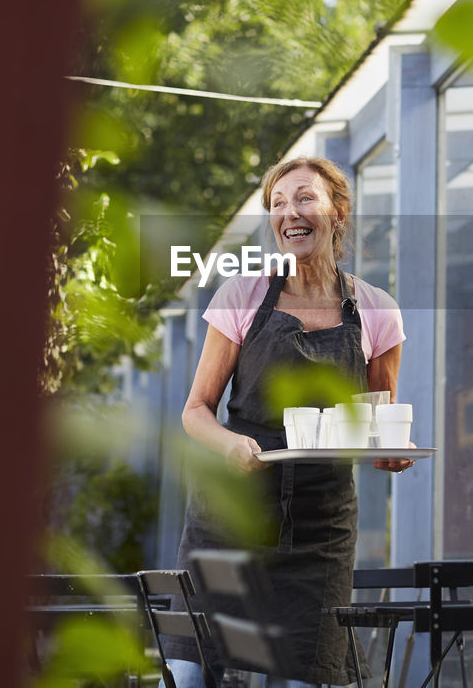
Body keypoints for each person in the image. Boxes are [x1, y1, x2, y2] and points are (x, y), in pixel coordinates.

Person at [163, 157, 410, 688]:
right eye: (277, 203)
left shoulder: (377, 311)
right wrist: (229, 445)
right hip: (230, 518)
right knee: (188, 675)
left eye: (304, 198)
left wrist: (391, 450)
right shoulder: (242, 296)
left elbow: (379, 417)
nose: (289, 213)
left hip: (318, 532)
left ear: (337, 212)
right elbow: (195, 410)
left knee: (308, 679)